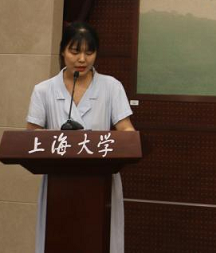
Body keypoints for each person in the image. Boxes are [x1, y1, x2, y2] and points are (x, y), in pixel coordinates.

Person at [26, 21, 135, 253]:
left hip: (100, 180)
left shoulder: (111, 87)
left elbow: (126, 129)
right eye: (75, 52)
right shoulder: (43, 90)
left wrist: (127, 141)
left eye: (89, 52)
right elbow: (31, 136)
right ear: (62, 51)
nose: (82, 59)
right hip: (59, 183)